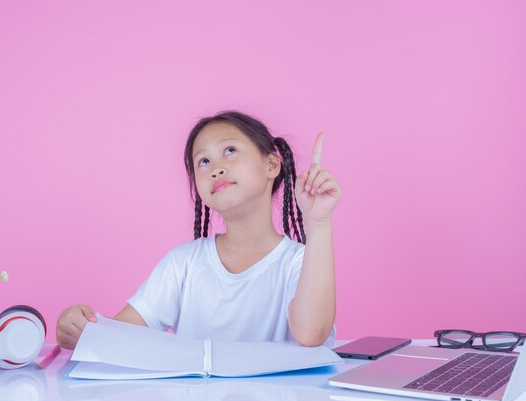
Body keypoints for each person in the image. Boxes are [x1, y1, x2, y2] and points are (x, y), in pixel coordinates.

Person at [57, 110, 342, 349]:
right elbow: (118, 338)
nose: (215, 168)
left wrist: (318, 224)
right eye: (203, 161)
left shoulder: (301, 263)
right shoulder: (183, 264)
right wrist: (81, 330)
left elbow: (310, 335)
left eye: (230, 151)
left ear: (271, 164)